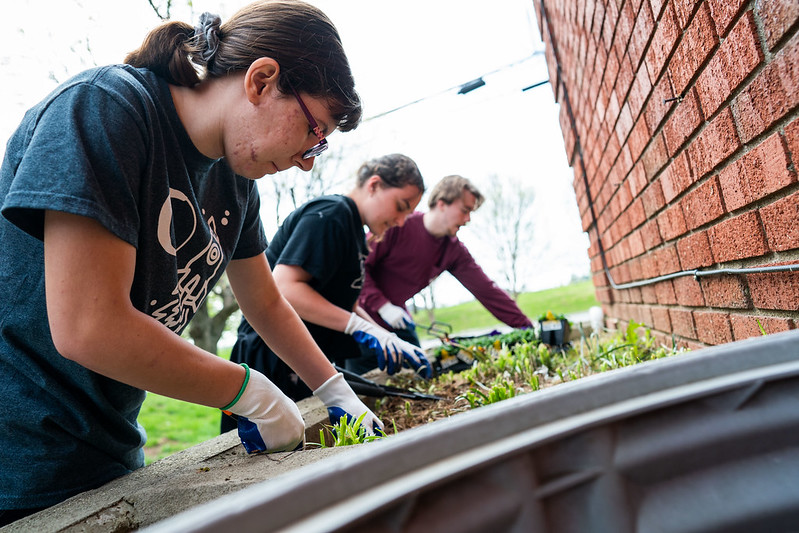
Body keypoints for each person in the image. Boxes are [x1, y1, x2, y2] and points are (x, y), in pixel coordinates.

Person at [0, 1, 381, 525]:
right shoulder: (105, 109)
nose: (307, 160)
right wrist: (246, 390)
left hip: (110, 450)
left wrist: (334, 389)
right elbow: (88, 327)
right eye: (314, 132)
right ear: (261, 81)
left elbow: (266, 303)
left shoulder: (235, 181)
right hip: (21, 461)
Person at [221, 154, 432, 433]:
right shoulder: (332, 214)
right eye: (401, 207)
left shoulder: (354, 231)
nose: (402, 222)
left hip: (300, 360)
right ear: (374, 185)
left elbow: (345, 303)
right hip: (271, 356)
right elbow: (285, 287)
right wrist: (357, 326)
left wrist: (384, 334)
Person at [357, 175, 534, 364]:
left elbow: (487, 290)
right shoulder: (398, 225)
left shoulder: (453, 250)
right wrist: (382, 306)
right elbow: (357, 267)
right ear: (441, 204)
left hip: (399, 321)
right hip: (361, 319)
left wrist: (527, 328)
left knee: (420, 368)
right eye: (465, 210)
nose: (467, 219)